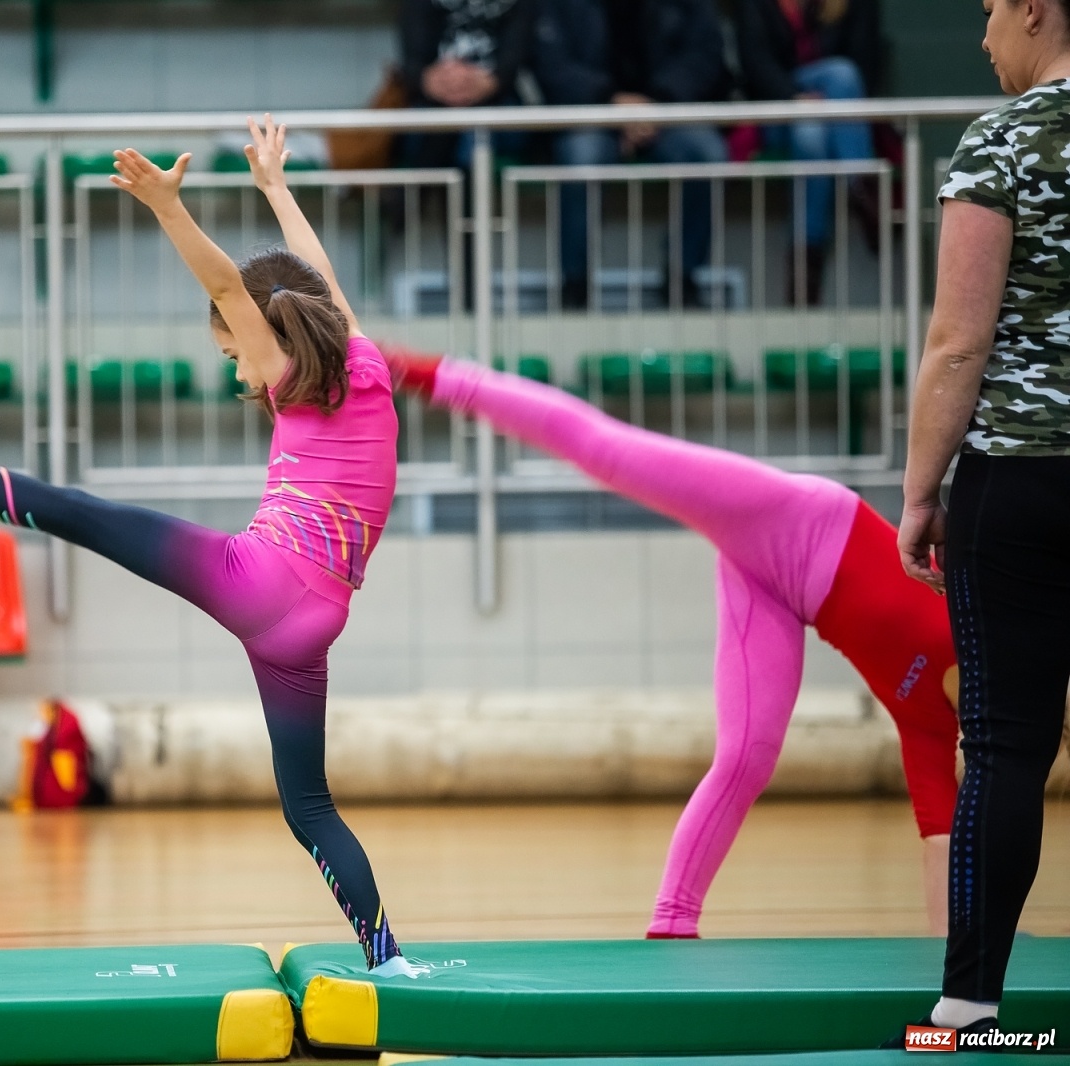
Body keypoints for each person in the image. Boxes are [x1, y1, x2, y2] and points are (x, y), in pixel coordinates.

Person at [0, 118, 426, 979]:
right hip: (317, 623)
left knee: (77, 512)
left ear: (263, 336)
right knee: (309, 808)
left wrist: (168, 208)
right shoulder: (362, 359)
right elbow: (318, 277)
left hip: (260, 583)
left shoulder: (291, 375)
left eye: (232, 350)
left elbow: (232, 286)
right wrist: (274, 188)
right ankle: (386, 961)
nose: (236, 369)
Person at [387, 349, 961, 938]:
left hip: (776, 592)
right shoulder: (974, 618)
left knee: (745, 761)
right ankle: (426, 373)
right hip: (791, 519)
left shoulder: (930, 731)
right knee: (604, 450)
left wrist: (961, 972)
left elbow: (940, 843)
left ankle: (670, 926)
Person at [896, 0, 1070, 1040]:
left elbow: (957, 342)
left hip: (1022, 483)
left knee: (1005, 746)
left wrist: (920, 494)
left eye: (993, 13)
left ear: (1037, 12)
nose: (982, 37)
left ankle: (969, 1002)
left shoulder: (1001, 141)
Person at [531, 0, 732, 309]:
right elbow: (551, 65)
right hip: (591, 111)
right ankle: (575, 284)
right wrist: (611, 101)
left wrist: (656, 103)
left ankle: (683, 277)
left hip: (666, 111)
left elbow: (706, 54)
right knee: (581, 157)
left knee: (706, 154)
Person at [735, 0, 883, 305]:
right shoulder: (756, 6)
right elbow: (755, 64)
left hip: (832, 114)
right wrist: (794, 98)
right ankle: (862, 189)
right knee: (836, 80)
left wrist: (818, 105)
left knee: (813, 128)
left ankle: (805, 275)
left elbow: (865, 67)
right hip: (776, 108)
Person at [395, 0, 535, 171]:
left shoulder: (519, 6)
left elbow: (512, 62)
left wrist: (487, 83)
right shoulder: (418, 6)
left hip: (499, 100)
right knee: (455, 128)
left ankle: (409, 193)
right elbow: (413, 64)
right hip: (431, 100)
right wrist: (438, 83)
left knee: (470, 135)